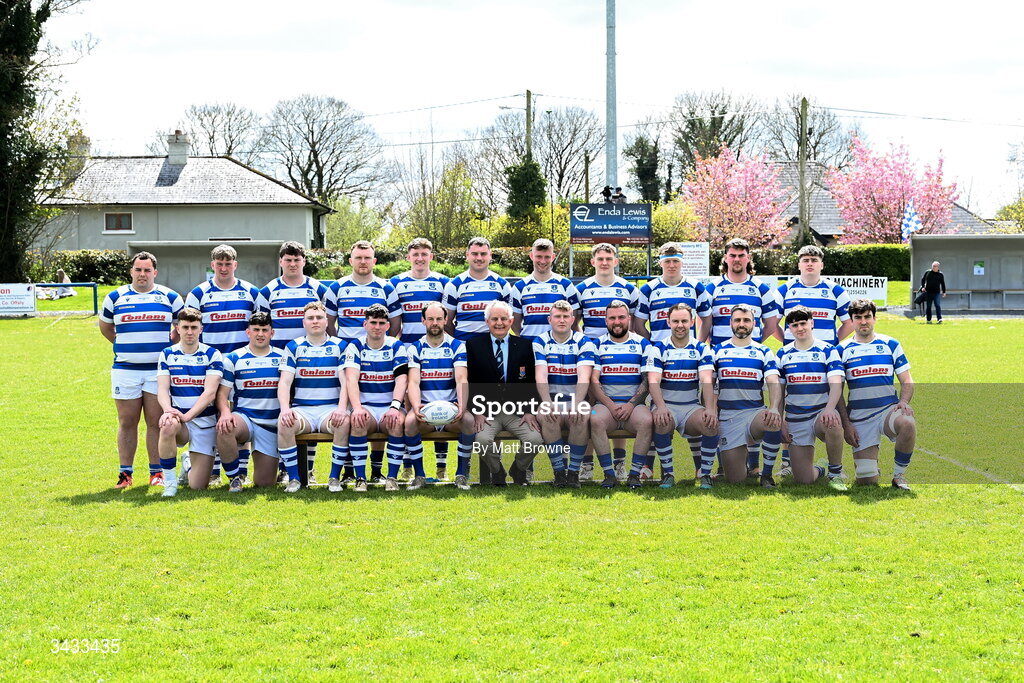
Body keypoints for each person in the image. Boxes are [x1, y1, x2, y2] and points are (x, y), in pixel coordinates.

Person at [99, 252, 184, 489]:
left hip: (158, 372)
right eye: (138, 269)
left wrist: (170, 345)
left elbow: (181, 326)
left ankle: (156, 473)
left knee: (156, 422)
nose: (142, 274)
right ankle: (125, 474)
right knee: (127, 422)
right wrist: (125, 346)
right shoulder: (115, 297)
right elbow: (106, 327)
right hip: (125, 370)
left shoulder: (170, 297)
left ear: (155, 272)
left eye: (147, 270)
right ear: (131, 271)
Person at [701, 237, 782, 476]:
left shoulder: (761, 289)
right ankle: (723, 464)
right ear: (725, 258)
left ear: (748, 258)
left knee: (753, 403)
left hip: (750, 358)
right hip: (719, 359)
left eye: (741, 255)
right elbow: (705, 321)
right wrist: (705, 348)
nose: (737, 260)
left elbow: (770, 323)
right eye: (732, 255)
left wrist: (752, 346)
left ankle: (755, 465)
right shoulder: (712, 288)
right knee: (719, 408)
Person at [772, 244, 852, 474]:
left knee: (833, 400)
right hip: (794, 355)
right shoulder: (785, 289)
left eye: (814, 260)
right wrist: (786, 343)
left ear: (821, 264)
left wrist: (832, 343)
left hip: (825, 356)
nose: (809, 263)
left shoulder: (835, 290)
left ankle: (836, 466)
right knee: (788, 399)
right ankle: (787, 462)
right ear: (799, 264)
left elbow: (847, 322)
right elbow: (774, 323)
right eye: (805, 259)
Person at [258, 241, 329, 480]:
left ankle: (307, 469)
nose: (292, 264)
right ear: (280, 262)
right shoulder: (269, 290)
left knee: (311, 410)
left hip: (313, 358)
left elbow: (328, 321)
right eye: (288, 260)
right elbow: (263, 327)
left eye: (297, 260)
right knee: (284, 412)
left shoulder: (317, 288)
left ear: (304, 262)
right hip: (280, 360)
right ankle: (285, 469)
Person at [575, 242, 640, 480]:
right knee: (592, 408)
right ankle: (587, 464)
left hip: (621, 352)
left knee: (619, 401)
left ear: (616, 261)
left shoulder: (628, 289)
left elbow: (635, 322)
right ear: (593, 262)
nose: (604, 262)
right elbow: (575, 323)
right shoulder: (581, 288)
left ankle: (620, 462)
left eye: (608, 258)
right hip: (590, 354)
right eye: (600, 258)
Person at [837, 299, 916, 490]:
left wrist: (903, 401)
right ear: (852, 321)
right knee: (867, 480)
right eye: (858, 318)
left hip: (887, 411)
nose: (863, 322)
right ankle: (868, 468)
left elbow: (907, 380)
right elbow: (836, 392)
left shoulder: (891, 344)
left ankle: (899, 475)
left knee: (907, 422)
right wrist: (847, 424)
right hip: (860, 418)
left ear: (874, 318)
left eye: (867, 317)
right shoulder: (841, 350)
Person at [390, 238, 452, 480]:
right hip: (410, 351)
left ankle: (442, 466)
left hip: (438, 350)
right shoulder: (396, 283)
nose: (420, 258)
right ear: (408, 257)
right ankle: (407, 465)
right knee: (410, 405)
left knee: (441, 401)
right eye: (415, 253)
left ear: (431, 256)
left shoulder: (443, 283)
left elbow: (448, 319)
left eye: (424, 253)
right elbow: (395, 322)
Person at [465, 300, 544, 486]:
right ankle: (497, 471)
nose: (499, 323)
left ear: (511, 321)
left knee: (535, 439)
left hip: (516, 412)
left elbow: (532, 383)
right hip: (487, 412)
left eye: (503, 318)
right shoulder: (473, 346)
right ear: (487, 321)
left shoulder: (525, 346)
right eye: (494, 319)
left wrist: (530, 411)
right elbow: (467, 382)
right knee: (482, 441)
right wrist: (476, 411)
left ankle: (518, 468)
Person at [276, 302, 349, 493]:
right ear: (304, 322)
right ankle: (294, 479)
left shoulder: (340, 346)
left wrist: (342, 409)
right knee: (284, 423)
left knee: (343, 422)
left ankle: (334, 478)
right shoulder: (294, 346)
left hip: (330, 409)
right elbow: (284, 382)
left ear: (327, 321)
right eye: (310, 318)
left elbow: (346, 382)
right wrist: (285, 409)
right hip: (303, 410)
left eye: (319, 318)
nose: (315, 321)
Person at [645, 303, 718, 489]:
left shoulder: (701, 348)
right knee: (661, 421)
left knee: (709, 422)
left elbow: (706, 380)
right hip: (666, 404)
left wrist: (710, 409)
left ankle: (705, 474)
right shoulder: (658, 348)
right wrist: (660, 407)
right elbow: (653, 380)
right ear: (668, 322)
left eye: (684, 321)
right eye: (675, 321)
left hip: (690, 406)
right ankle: (668, 474)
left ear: (692, 322)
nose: (680, 325)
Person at [155, 308, 226, 497]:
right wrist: (168, 410)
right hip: (180, 422)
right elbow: (162, 389)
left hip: (204, 423)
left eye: (194, 327)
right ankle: (169, 483)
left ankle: (187, 462)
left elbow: (210, 393)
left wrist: (187, 415)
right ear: (177, 328)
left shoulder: (212, 354)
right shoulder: (167, 354)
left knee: (198, 486)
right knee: (168, 424)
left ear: (201, 329)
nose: (189, 332)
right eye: (185, 327)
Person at [404, 303, 476, 490]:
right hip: (426, 408)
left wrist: (461, 405)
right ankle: (419, 475)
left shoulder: (457, 346)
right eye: (430, 319)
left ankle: (461, 474)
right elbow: (413, 382)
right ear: (423, 321)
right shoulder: (415, 348)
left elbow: (461, 378)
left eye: (438, 319)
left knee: (468, 421)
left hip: (450, 408)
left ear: (446, 320)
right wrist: (416, 406)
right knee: (410, 422)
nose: (434, 323)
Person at [775, 306, 847, 490]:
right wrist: (781, 418)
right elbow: (779, 392)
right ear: (789, 329)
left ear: (812, 323)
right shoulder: (783, 354)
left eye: (803, 323)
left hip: (820, 415)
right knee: (804, 479)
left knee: (833, 422)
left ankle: (835, 473)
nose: (800, 328)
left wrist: (830, 409)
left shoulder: (827, 350)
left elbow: (836, 383)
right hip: (795, 418)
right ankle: (821, 469)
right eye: (794, 325)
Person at [712, 304, 784, 487]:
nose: (741, 324)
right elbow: (710, 386)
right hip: (728, 418)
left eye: (746, 320)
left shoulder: (763, 351)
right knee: (736, 479)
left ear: (754, 324)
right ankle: (742, 462)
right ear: (730, 323)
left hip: (754, 414)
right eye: (737, 320)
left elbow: (773, 381)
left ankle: (766, 475)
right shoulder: (717, 351)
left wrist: (774, 408)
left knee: (773, 420)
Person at [216, 312, 287, 491]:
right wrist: (225, 413)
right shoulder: (234, 358)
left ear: (272, 333)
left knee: (264, 483)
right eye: (256, 330)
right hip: (245, 419)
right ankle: (234, 478)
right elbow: (222, 394)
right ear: (248, 332)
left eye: (265, 330)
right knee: (226, 427)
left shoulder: (282, 357)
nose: (260, 334)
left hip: (270, 425)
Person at [343, 304, 409, 492]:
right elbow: (351, 379)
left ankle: (392, 478)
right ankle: (360, 479)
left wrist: (395, 407)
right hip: (366, 406)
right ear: (365, 324)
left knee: (396, 422)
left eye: (381, 323)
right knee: (358, 422)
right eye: (373, 323)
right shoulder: (355, 346)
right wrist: (356, 408)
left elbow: (401, 380)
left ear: (388, 326)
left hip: (390, 406)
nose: (377, 327)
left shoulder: (396, 345)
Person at [589, 300, 654, 489]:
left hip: (633, 405)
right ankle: (609, 474)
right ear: (606, 320)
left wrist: (630, 405)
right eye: (612, 318)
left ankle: (634, 474)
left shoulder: (643, 343)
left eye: (621, 317)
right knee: (594, 419)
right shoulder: (596, 344)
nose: (617, 322)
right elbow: (594, 381)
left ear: (629, 319)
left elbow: (646, 380)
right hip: (605, 405)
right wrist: (610, 405)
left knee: (647, 421)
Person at [533, 300, 595, 488]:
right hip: (552, 399)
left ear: (572, 319)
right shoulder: (540, 341)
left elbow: (584, 375)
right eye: (557, 316)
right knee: (547, 415)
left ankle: (574, 474)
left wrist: (577, 403)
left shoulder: (584, 341)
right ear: (549, 319)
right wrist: (546, 402)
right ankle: (559, 473)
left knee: (582, 414)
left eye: (565, 316)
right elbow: (541, 374)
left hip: (575, 399)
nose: (561, 320)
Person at [326, 240, 401, 340]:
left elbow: (395, 324)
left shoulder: (387, 289)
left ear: (374, 261)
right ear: (351, 261)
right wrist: (340, 346)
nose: (363, 262)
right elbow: (328, 323)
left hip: (376, 353)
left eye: (367, 258)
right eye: (358, 258)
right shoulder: (336, 287)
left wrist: (382, 345)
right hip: (346, 352)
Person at [511, 238, 580, 345]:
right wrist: (527, 341)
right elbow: (515, 324)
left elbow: (574, 323)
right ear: (531, 256)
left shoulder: (566, 285)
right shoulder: (520, 287)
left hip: (559, 348)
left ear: (553, 257)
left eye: (547, 257)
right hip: (529, 348)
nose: (543, 261)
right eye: (539, 256)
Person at [443, 237, 512, 341]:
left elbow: (509, 320)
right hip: (464, 348)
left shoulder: (502, 285)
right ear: (467, 255)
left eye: (483, 254)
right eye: (475, 254)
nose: (479, 258)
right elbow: (446, 322)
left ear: (490, 255)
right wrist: (459, 343)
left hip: (493, 349)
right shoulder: (454, 285)